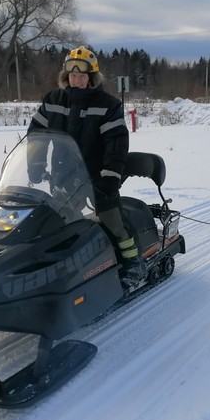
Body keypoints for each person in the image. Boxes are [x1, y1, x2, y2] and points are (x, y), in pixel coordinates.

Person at [27, 46, 145, 289]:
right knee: (56, 222)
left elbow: (116, 142)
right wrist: (36, 164)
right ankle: (59, 268)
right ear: (65, 76)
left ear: (92, 78)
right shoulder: (53, 100)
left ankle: (134, 261)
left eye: (82, 76)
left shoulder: (108, 105)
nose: (76, 80)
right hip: (63, 173)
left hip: (98, 175)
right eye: (72, 75)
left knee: (112, 219)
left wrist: (111, 174)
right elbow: (36, 134)